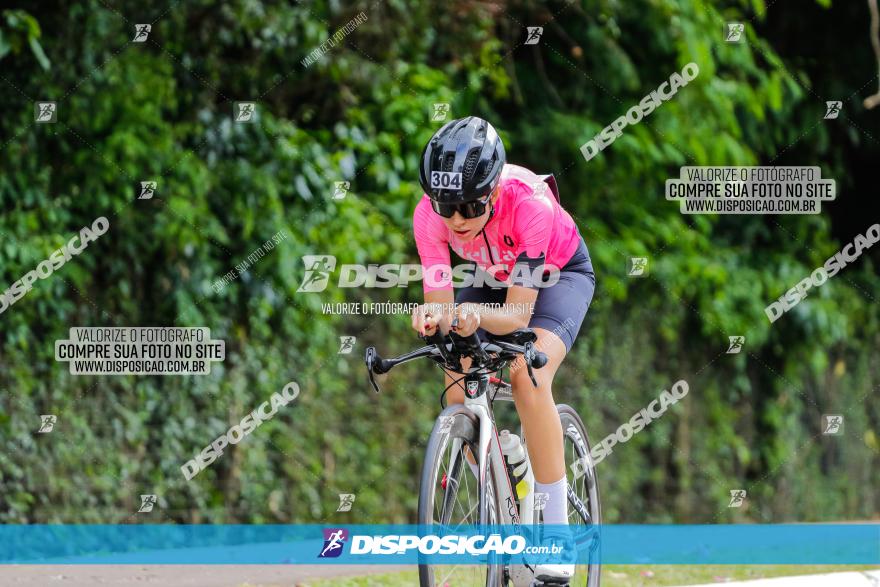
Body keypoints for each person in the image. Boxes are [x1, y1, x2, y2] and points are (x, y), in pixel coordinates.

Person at [410, 116, 596, 583]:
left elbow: (516, 317)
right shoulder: (428, 216)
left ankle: (557, 532)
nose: (455, 219)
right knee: (456, 385)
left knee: (526, 374)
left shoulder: (531, 206)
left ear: (493, 192)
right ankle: (507, 463)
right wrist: (433, 318)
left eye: (469, 205)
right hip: (492, 278)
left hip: (558, 276)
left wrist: (463, 317)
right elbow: (441, 302)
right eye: (446, 204)